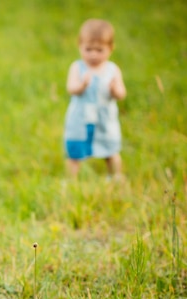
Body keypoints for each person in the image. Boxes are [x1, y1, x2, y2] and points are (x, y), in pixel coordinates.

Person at [64, 18, 127, 180]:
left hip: (104, 121)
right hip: (80, 120)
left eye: (99, 50)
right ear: (80, 46)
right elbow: (71, 88)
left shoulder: (112, 70)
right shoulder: (77, 67)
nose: (93, 54)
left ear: (110, 49)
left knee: (110, 151)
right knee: (75, 153)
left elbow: (121, 93)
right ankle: (71, 181)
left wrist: (115, 90)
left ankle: (116, 176)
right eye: (88, 49)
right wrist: (81, 86)